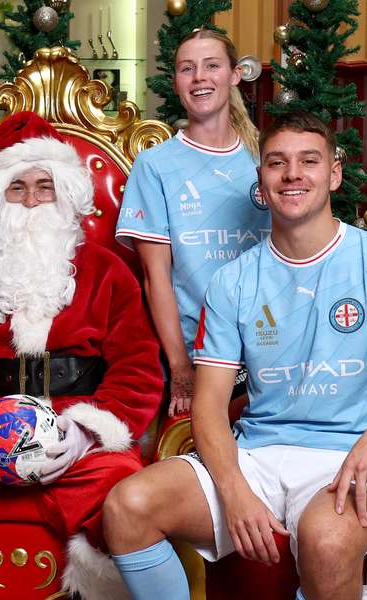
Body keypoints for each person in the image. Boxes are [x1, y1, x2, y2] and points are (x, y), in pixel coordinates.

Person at [104, 112, 367, 600]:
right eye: (277, 163)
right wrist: (233, 490)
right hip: (257, 454)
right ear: (262, 181)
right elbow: (210, 406)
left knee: (325, 540)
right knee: (128, 505)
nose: (292, 174)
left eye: (308, 161)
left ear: (334, 174)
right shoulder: (232, 281)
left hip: (346, 458)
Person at [0, 111, 163, 599]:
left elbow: (139, 369)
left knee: (127, 498)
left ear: (65, 195)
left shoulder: (107, 272)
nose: (31, 199)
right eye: (16, 188)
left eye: (44, 186)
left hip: (76, 433)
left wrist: (89, 433)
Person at [115, 28, 270, 416]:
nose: (199, 77)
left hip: (271, 346)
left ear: (234, 75)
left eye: (211, 66)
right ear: (177, 83)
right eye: (187, 69)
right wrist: (181, 367)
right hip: (199, 351)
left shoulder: (267, 159)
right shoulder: (155, 166)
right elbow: (156, 278)